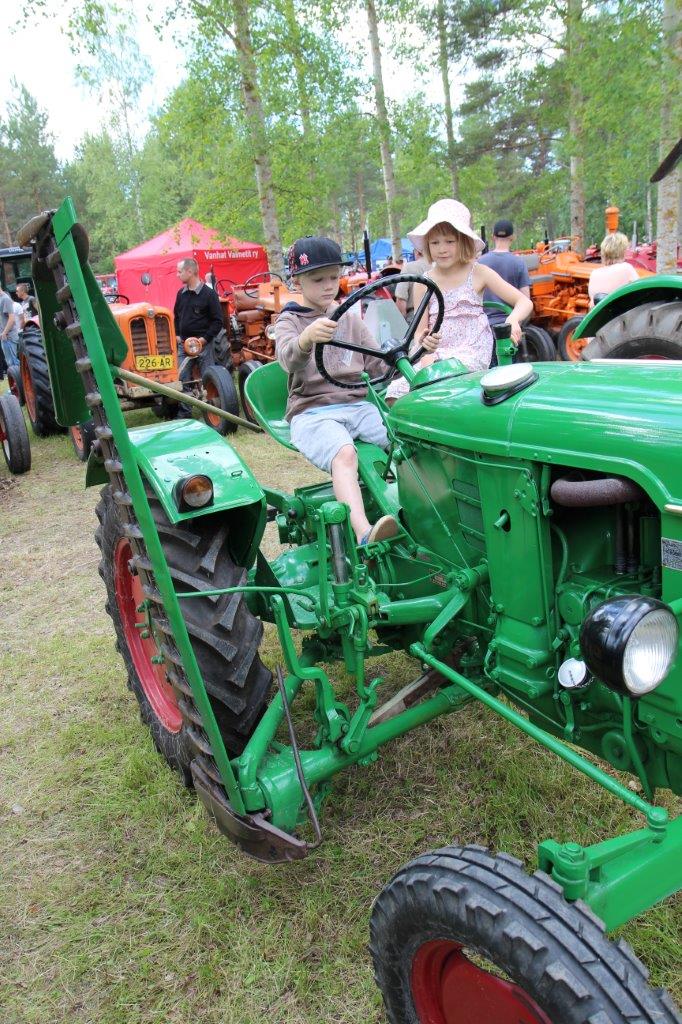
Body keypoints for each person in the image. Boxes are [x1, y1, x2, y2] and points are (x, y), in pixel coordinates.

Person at [275, 235, 439, 546]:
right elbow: (287, 359)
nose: (328, 286)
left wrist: (418, 350)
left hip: (358, 407)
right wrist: (306, 339)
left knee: (405, 441)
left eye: (333, 277)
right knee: (345, 453)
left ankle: (427, 512)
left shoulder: (349, 317)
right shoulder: (290, 320)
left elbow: (381, 364)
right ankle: (364, 531)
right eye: (318, 279)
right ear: (297, 281)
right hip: (313, 412)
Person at [385, 199, 534, 402]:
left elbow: (524, 301)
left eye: (449, 241)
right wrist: (424, 342)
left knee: (443, 383)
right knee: (395, 393)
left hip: (470, 353)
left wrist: (513, 320)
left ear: (463, 241)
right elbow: (419, 331)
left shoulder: (478, 273)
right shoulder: (423, 283)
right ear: (427, 246)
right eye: (435, 243)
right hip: (435, 355)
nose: (442, 249)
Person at [173, 257, 224, 416]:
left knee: (209, 377)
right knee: (182, 378)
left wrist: (204, 339)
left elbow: (218, 321)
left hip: (203, 344)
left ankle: (213, 411)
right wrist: (177, 335)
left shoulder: (209, 295)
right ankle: (184, 413)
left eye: (179, 272)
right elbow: (176, 317)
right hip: (184, 344)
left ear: (190, 271)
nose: (177, 275)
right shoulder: (181, 294)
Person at [478, 219, 531, 328]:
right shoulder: (519, 263)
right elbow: (526, 298)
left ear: (493, 237)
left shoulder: (480, 262)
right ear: (512, 237)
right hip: (509, 326)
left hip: (483, 326)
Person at [588, 232, 639, 306]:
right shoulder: (626, 268)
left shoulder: (594, 273)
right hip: (620, 311)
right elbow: (640, 291)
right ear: (622, 251)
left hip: (601, 312)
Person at [395, 246, 430, 319]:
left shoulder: (408, 267)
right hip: (437, 315)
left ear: (416, 251)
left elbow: (401, 298)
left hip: (415, 315)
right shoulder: (439, 267)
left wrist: (402, 321)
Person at [0, 283, 19, 371]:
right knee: (10, 363)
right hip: (4, 337)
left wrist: (4, 333)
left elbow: (12, 319)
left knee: (13, 363)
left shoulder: (5, 299)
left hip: (9, 337)